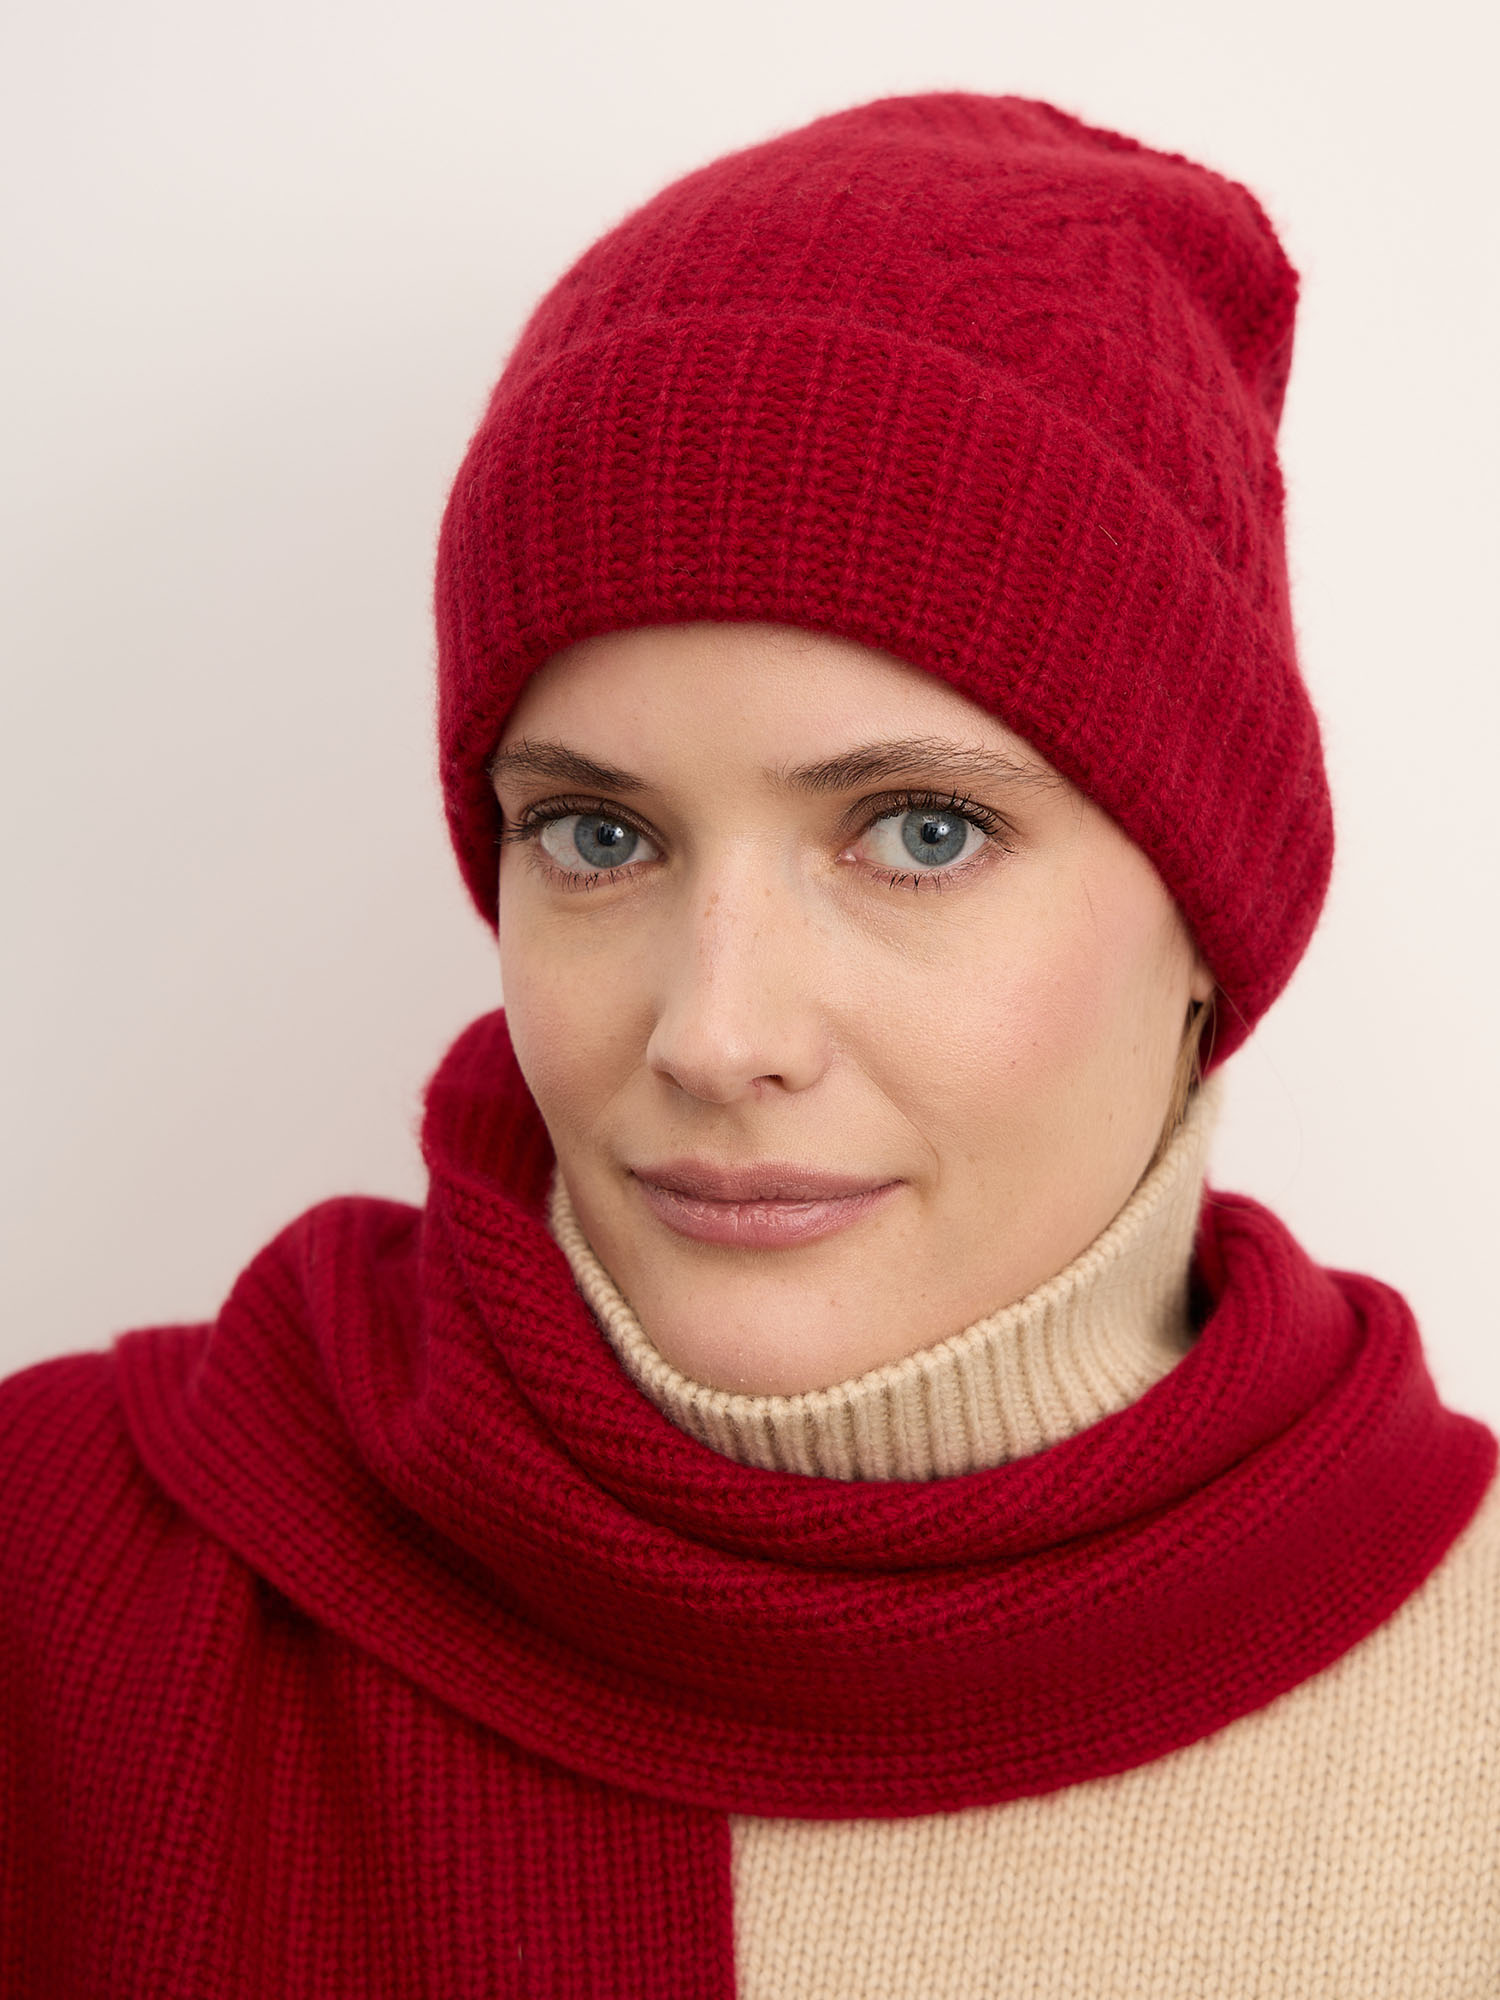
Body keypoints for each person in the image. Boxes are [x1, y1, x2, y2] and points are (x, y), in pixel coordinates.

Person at [3, 91, 1496, 1999]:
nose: (718, 1036)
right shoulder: (61, 1589)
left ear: (1213, 917)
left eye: (922, 834)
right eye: (596, 836)